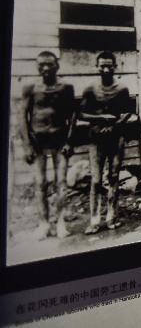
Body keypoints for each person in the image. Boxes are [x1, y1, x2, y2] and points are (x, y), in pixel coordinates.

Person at [20, 51, 76, 238]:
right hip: (38, 142)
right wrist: (27, 145)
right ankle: (43, 223)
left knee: (61, 182)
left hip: (59, 141)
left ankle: (60, 222)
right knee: (40, 182)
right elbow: (22, 117)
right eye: (41, 65)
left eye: (49, 64)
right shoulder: (30, 88)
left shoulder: (66, 87)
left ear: (56, 66)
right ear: (37, 66)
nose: (45, 68)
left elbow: (72, 115)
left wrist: (69, 141)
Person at [79, 51, 133, 234]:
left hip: (116, 138)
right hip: (96, 139)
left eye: (109, 66)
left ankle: (112, 216)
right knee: (95, 180)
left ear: (115, 67)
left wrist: (114, 125)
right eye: (102, 66)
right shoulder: (90, 89)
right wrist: (101, 118)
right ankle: (94, 219)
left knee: (114, 177)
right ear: (97, 67)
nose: (106, 69)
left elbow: (128, 112)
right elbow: (81, 114)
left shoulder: (122, 89)